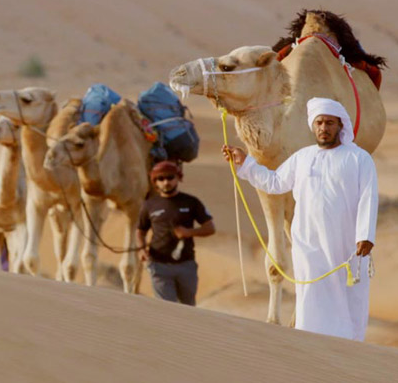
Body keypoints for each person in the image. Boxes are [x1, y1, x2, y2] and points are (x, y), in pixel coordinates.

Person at [222, 97, 378, 341]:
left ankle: (350, 343)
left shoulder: (359, 159)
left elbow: (369, 197)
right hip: (308, 242)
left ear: (340, 126)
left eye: (329, 123)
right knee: (310, 292)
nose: (323, 128)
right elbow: (274, 183)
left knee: (349, 294)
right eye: (319, 123)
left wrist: (365, 236)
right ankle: (310, 340)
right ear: (312, 126)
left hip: (347, 243)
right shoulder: (302, 157)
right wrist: (246, 163)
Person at [136, 161, 216, 306]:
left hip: (185, 264)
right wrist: (141, 249)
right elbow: (140, 230)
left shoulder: (191, 202)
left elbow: (210, 228)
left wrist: (189, 232)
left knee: (188, 307)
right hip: (158, 264)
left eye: (170, 177)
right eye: (161, 179)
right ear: (155, 182)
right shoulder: (149, 205)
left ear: (178, 178)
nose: (166, 182)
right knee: (166, 308)